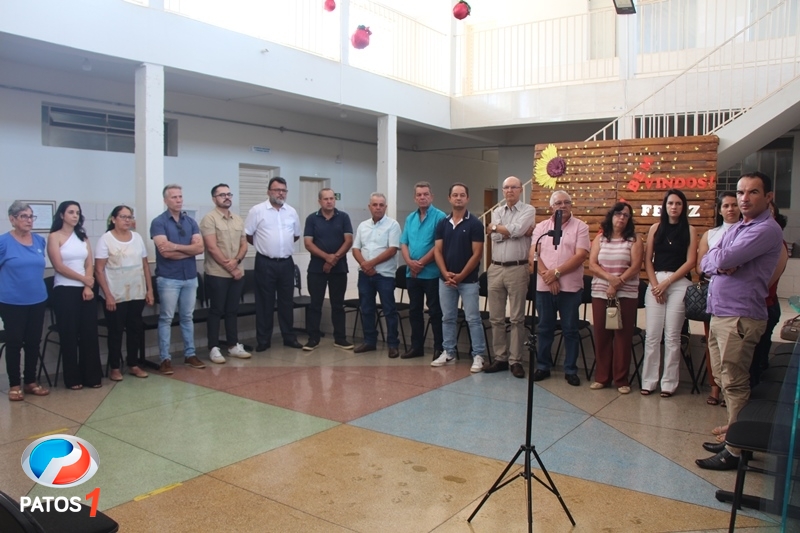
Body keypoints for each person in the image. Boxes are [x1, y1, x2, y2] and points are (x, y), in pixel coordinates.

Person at [696, 172, 784, 471]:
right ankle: (735, 436)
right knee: (723, 379)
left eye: (753, 192)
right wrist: (720, 261)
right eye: (740, 192)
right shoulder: (740, 227)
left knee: (734, 382)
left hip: (740, 316)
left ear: (768, 197)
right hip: (721, 312)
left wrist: (720, 260)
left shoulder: (765, 229)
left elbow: (720, 259)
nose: (744, 198)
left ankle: (736, 450)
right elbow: (707, 262)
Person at [529, 190, 590, 386]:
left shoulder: (581, 227)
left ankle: (570, 369)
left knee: (570, 330)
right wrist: (549, 277)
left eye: (567, 202)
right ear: (551, 207)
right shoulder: (541, 227)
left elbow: (580, 255)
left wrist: (556, 273)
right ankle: (543, 366)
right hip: (544, 286)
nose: (563, 206)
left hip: (570, 289)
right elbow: (533, 256)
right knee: (544, 328)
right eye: (558, 203)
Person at [641, 189, 696, 397]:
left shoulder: (689, 230)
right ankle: (649, 381)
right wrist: (656, 285)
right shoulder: (655, 228)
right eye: (671, 203)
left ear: (683, 207)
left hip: (679, 283)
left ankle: (669, 384)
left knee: (672, 336)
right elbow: (647, 260)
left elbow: (691, 261)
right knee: (652, 335)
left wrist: (667, 283)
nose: (674, 207)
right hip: (656, 282)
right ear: (665, 206)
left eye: (678, 204)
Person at [47, 200, 103, 389]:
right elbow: (58, 266)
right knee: (69, 334)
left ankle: (92, 377)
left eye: (77, 212)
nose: (75, 215)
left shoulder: (83, 237)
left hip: (85, 289)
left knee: (89, 333)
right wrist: (83, 279)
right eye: (71, 212)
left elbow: (89, 263)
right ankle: (72, 379)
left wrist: (87, 285)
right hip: (65, 289)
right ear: (62, 215)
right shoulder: (54, 237)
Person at [483, 176, 535, 378]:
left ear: (520, 189)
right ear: (503, 191)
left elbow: (516, 230)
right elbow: (496, 235)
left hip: (518, 269)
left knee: (516, 318)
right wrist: (507, 231)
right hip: (495, 268)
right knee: (496, 317)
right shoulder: (497, 211)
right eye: (506, 188)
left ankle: (515, 361)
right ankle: (500, 358)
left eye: (514, 187)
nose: (510, 191)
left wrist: (497, 228)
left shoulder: (528, 210)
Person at [588, 202, 643, 394]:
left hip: (626, 293)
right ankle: (602, 378)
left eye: (626, 215)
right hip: (600, 292)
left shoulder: (634, 239)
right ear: (611, 216)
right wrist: (611, 280)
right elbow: (592, 265)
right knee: (602, 335)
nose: (621, 218)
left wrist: (617, 283)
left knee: (622, 337)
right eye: (618, 214)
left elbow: (635, 266)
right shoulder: (600, 238)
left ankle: (621, 380)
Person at [431, 183, 486, 373]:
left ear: (467, 198)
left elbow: (477, 254)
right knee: (447, 317)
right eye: (455, 195)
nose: (458, 198)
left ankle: (478, 355)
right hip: (445, 280)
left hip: (468, 281)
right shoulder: (442, 223)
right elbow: (437, 251)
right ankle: (448, 351)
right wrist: (445, 272)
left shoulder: (475, 224)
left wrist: (461, 276)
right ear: (449, 198)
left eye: (462, 195)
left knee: (473, 318)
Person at [150, 184, 205, 374]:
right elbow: (164, 252)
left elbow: (200, 248)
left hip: (190, 276)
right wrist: (188, 250)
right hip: (168, 278)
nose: (178, 200)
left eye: (180, 196)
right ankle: (165, 359)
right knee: (166, 318)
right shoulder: (159, 222)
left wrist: (175, 247)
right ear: (165, 200)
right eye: (174, 197)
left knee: (187, 317)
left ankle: (190, 354)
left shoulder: (190, 222)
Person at [95, 205, 154, 380]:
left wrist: (149, 290)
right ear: (113, 219)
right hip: (115, 294)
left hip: (136, 292)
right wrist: (108, 295)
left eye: (130, 217)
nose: (127, 220)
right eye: (123, 217)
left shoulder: (137, 238)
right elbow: (99, 270)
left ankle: (133, 364)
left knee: (135, 329)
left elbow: (145, 265)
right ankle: (114, 367)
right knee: (116, 331)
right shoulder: (105, 239)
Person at [244, 177, 303, 352]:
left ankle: (289, 337)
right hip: (265, 262)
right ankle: (264, 340)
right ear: (269, 192)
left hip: (286, 263)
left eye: (284, 190)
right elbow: (248, 235)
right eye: (277, 190)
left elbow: (296, 235)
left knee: (286, 302)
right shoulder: (257, 211)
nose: (281, 193)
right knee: (264, 303)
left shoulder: (291, 212)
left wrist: (280, 246)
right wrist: (266, 246)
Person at [0, 201, 49, 400]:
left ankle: (30, 382)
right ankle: (14, 385)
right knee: (14, 342)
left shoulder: (39, 241)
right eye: (24, 216)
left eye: (31, 216)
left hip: (37, 299)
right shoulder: (3, 242)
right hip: (12, 302)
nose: (29, 220)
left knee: (33, 342)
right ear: (12, 219)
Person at [696, 191, 740, 405]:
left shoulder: (746, 232)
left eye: (734, 205)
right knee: (712, 345)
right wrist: (720, 268)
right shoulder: (711, 234)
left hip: (736, 301)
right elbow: (701, 266)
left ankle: (730, 393)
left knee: (731, 352)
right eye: (726, 205)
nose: (730, 209)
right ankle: (715, 388)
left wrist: (718, 263)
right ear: (719, 210)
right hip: (713, 297)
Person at [200, 183, 251, 364]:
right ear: (214, 199)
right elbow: (212, 247)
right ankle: (213, 348)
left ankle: (233, 345)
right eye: (222, 195)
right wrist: (231, 268)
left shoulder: (238, 219)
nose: (227, 197)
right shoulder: (209, 219)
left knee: (232, 310)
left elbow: (244, 244)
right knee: (216, 310)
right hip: (217, 273)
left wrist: (236, 262)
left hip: (237, 273)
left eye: (229, 194)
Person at [303, 188, 354, 351]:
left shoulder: (344, 217)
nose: (329, 201)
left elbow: (348, 241)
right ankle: (313, 338)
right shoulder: (312, 219)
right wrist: (327, 257)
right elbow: (308, 243)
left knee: (337, 305)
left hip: (339, 269)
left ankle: (340, 338)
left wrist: (333, 260)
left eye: (332, 198)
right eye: (326, 199)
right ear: (320, 201)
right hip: (316, 269)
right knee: (315, 304)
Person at [399, 181, 446, 359]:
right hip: (412, 274)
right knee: (414, 311)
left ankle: (439, 348)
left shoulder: (440, 217)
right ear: (414, 198)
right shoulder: (410, 218)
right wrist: (409, 263)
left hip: (431, 274)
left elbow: (439, 246)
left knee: (435, 312)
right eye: (419, 195)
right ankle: (416, 347)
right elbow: (404, 243)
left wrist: (420, 264)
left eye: (426, 194)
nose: (422, 197)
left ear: (431, 196)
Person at [352, 193, 401, 357]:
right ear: (369, 207)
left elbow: (392, 250)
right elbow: (356, 249)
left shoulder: (393, 225)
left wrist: (370, 264)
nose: (378, 208)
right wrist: (364, 265)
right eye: (375, 205)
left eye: (381, 205)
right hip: (364, 275)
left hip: (384, 275)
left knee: (389, 310)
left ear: (385, 207)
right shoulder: (363, 226)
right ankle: (369, 341)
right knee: (366, 309)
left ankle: (393, 344)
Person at [749, 200, 788, 386]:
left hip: (765, 306)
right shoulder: (750, 240)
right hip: (750, 308)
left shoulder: (779, 244)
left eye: (768, 212)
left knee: (757, 362)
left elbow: (766, 283)